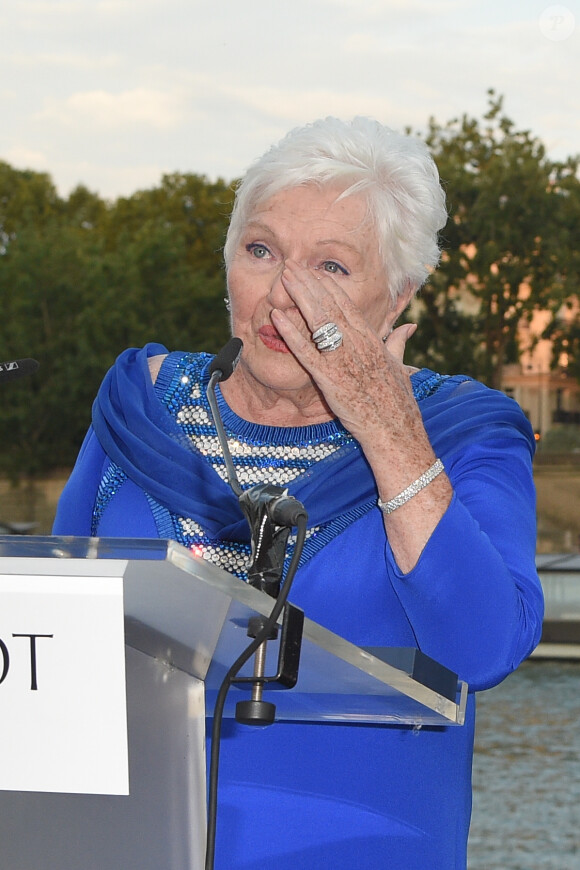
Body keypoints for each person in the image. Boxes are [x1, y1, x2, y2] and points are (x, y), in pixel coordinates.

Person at [53, 116, 544, 869]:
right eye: (261, 251)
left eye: (332, 267)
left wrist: (388, 430)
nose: (284, 292)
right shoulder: (137, 410)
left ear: (398, 297)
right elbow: (51, 638)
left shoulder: (464, 432)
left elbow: (484, 648)